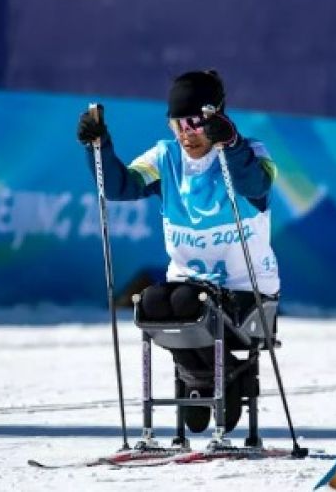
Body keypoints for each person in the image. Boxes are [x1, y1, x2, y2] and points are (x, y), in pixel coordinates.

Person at [77, 69, 279, 434]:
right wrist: (98, 146)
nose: (187, 134)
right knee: (151, 303)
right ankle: (214, 379)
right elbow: (120, 187)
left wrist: (230, 143)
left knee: (189, 302)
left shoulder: (251, 152)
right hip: (189, 284)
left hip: (247, 291)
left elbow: (257, 183)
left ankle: (208, 381)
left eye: (196, 124)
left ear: (216, 116)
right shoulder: (165, 157)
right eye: (178, 124)